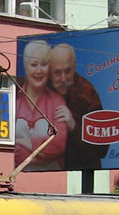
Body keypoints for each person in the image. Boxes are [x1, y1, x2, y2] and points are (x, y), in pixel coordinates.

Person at [48, 42, 108, 170]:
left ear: (74, 67)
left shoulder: (86, 93)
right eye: (58, 73)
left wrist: (74, 126)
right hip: (51, 165)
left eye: (68, 71)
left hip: (83, 166)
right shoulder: (44, 88)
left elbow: (102, 148)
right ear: (50, 72)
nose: (63, 78)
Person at [15, 40, 71, 171]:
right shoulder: (15, 99)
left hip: (53, 171)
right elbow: (11, 148)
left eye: (44, 64)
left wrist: (26, 143)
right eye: (34, 65)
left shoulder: (57, 101)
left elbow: (60, 143)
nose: (39, 70)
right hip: (15, 174)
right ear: (25, 67)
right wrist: (43, 154)